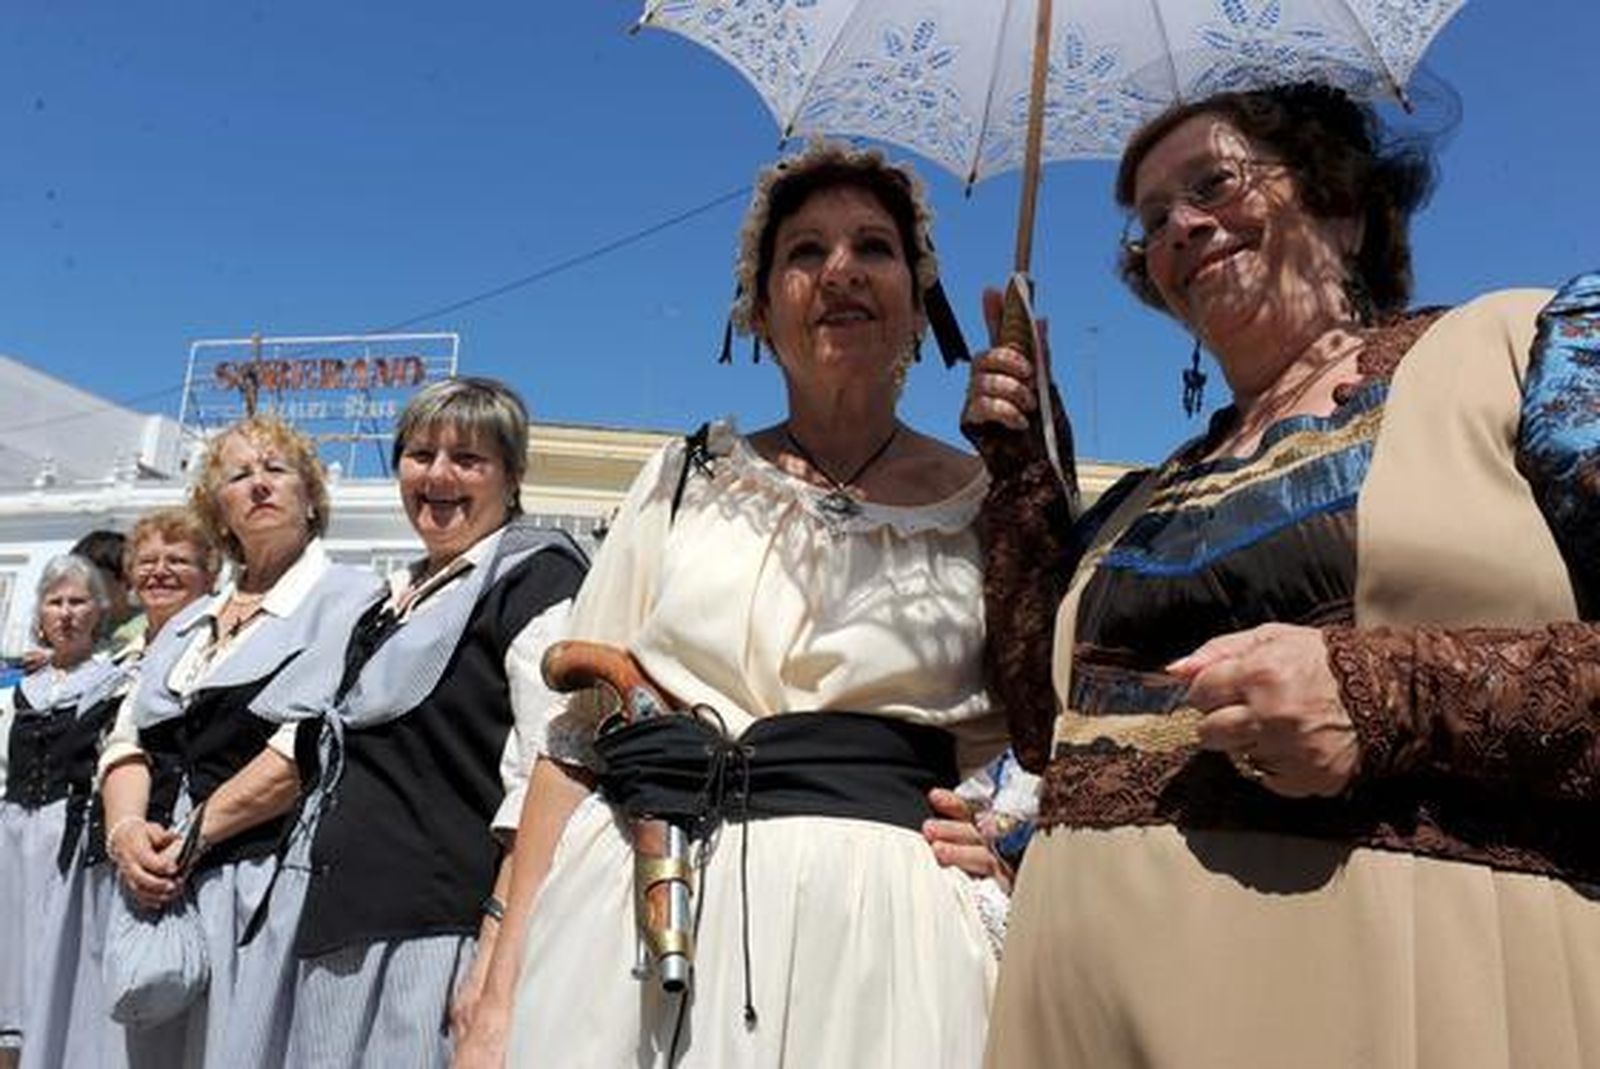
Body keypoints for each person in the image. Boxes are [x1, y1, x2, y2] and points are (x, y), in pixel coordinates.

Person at [964, 81, 1600, 1068]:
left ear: (1343, 206)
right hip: (1086, 1020)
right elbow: (1044, 736)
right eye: (1150, 220)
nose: (1177, 224)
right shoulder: (1146, 493)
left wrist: (1384, 694)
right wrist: (1025, 483)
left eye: (1212, 182)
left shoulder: (1529, 350)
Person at [458, 140, 1010, 1069]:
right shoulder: (685, 477)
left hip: (895, 932)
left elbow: (1056, 726)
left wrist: (1011, 841)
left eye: (874, 248)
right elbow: (572, 742)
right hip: (654, 903)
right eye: (805, 252)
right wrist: (499, 987)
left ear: (919, 305)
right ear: (759, 311)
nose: (840, 270)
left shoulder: (987, 499)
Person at [229, 377, 587, 1069]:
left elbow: (551, 771)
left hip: (435, 935)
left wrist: (493, 959)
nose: (439, 475)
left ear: (512, 476)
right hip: (336, 926)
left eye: (469, 458)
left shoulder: (535, 581)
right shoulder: (393, 599)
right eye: (421, 454)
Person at [98, 417, 380, 1069]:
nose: (258, 484)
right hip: (153, 887)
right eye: (238, 474)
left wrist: (189, 840)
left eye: (276, 469)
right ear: (218, 508)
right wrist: (128, 837)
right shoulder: (189, 622)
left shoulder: (351, 597)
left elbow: (302, 744)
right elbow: (126, 737)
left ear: (311, 494)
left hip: (261, 880)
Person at [23, 509, 220, 1069]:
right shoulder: (120, 661)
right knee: (81, 1014)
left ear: (211, 572)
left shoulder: (213, 648)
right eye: (148, 562)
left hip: (160, 860)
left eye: (178, 561)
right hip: (94, 858)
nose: (160, 572)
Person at [0, 556, 120, 1063]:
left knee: (59, 953)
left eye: (78, 601)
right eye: (56, 602)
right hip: (12, 837)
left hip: (68, 838)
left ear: (98, 611)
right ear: (40, 614)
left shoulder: (115, 683)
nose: (66, 613)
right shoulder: (15, 695)